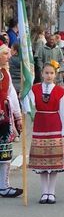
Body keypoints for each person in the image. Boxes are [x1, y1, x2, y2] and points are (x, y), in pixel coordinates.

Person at [27, 61, 64, 204]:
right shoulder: (34, 89)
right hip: (40, 126)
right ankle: (44, 192)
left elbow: (63, 113)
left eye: (51, 73)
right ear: (42, 74)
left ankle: (52, 192)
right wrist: (24, 93)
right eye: (46, 73)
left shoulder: (60, 91)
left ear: (55, 74)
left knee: (53, 163)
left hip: (55, 126)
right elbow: (29, 106)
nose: (49, 76)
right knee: (42, 165)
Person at [0, 38, 22, 197]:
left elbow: (12, 95)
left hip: (4, 118)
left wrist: (18, 116)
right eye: (5, 53)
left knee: (4, 153)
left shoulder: (5, 73)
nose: (8, 56)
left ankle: (4, 185)